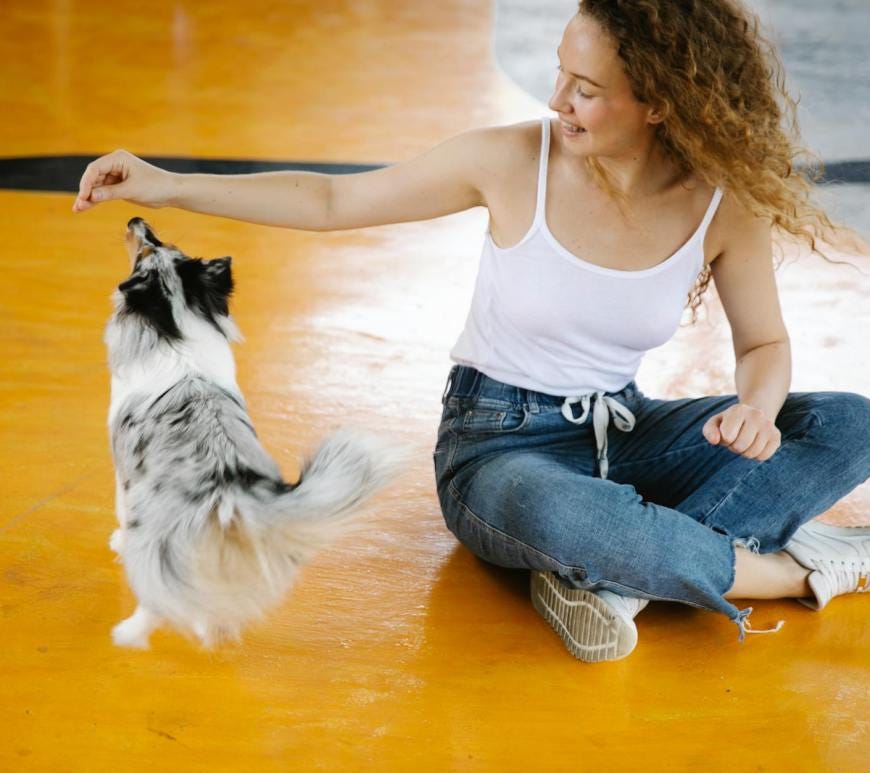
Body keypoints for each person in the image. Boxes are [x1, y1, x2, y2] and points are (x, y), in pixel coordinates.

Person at [73, 0, 870, 662]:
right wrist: (166, 184)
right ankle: (793, 569)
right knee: (567, 517)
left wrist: (760, 408)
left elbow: (764, 347)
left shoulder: (718, 203)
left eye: (586, 88)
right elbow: (330, 202)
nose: (557, 98)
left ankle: (615, 569)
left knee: (848, 423)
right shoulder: (513, 161)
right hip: (498, 448)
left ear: (660, 100)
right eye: (560, 70)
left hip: (624, 432)